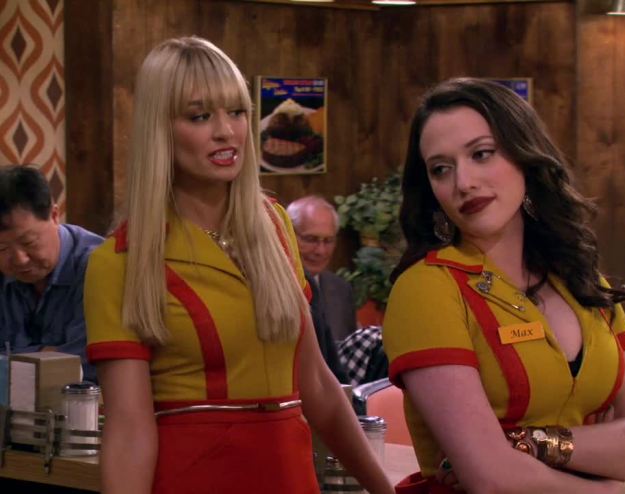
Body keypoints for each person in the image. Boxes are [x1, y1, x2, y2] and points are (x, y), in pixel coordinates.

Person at [83, 37, 393, 494]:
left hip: (289, 477)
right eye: (199, 116)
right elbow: (129, 430)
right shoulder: (121, 262)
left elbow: (318, 387)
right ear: (160, 130)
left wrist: (382, 489)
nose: (226, 131)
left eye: (237, 112)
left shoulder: (275, 227)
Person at [382, 78, 625, 493]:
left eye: (482, 154)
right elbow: (490, 478)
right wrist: (607, 487)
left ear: (525, 155)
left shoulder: (583, 282)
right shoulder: (426, 289)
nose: (463, 182)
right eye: (441, 169)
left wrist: (531, 443)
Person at [0, 164, 102, 382]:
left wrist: (9, 362)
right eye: (2, 249)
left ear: (55, 215)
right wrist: (47, 355)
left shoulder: (98, 266)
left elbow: (86, 364)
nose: (20, 259)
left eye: (29, 242)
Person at [287, 195, 358, 343]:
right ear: (287, 235)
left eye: (328, 241)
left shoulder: (341, 290)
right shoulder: (267, 288)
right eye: (310, 239)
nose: (320, 251)